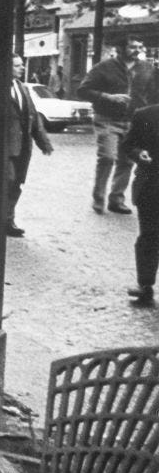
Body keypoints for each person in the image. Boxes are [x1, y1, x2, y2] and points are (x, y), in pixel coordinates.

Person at [78, 35, 156, 214]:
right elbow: (82, 90)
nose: (137, 50)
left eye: (140, 47)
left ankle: (116, 199)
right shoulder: (103, 67)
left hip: (133, 122)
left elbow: (153, 95)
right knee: (107, 157)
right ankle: (98, 198)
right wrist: (108, 97)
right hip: (107, 119)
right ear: (120, 49)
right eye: (132, 47)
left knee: (127, 161)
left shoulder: (147, 69)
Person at [5, 53, 53, 238]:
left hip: (23, 146)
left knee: (16, 183)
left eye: (21, 65)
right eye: (17, 65)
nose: (22, 68)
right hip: (4, 148)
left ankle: (8, 221)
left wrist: (44, 143)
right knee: (7, 181)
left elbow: (32, 116)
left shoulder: (23, 88)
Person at [121, 100, 159, 305]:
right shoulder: (145, 115)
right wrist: (138, 153)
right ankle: (145, 286)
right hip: (152, 185)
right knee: (150, 236)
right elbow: (128, 144)